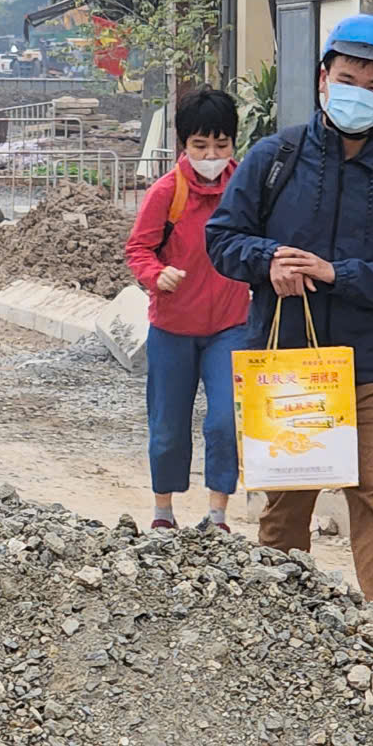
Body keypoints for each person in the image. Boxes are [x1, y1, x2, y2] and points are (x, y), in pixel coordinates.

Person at [203, 13, 373, 622]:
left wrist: (339, 272)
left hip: (370, 367)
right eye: (348, 76)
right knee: (285, 502)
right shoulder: (273, 158)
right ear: (322, 79)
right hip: (288, 363)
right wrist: (267, 261)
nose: (359, 90)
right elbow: (223, 238)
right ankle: (284, 625)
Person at [125, 88, 252, 532]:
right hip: (173, 327)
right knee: (167, 424)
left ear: (234, 143)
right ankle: (163, 511)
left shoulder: (245, 188)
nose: (211, 155)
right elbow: (138, 248)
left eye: (221, 145)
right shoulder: (167, 192)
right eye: (201, 146)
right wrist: (156, 275)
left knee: (224, 420)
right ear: (184, 144)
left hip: (231, 326)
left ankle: (217, 515)